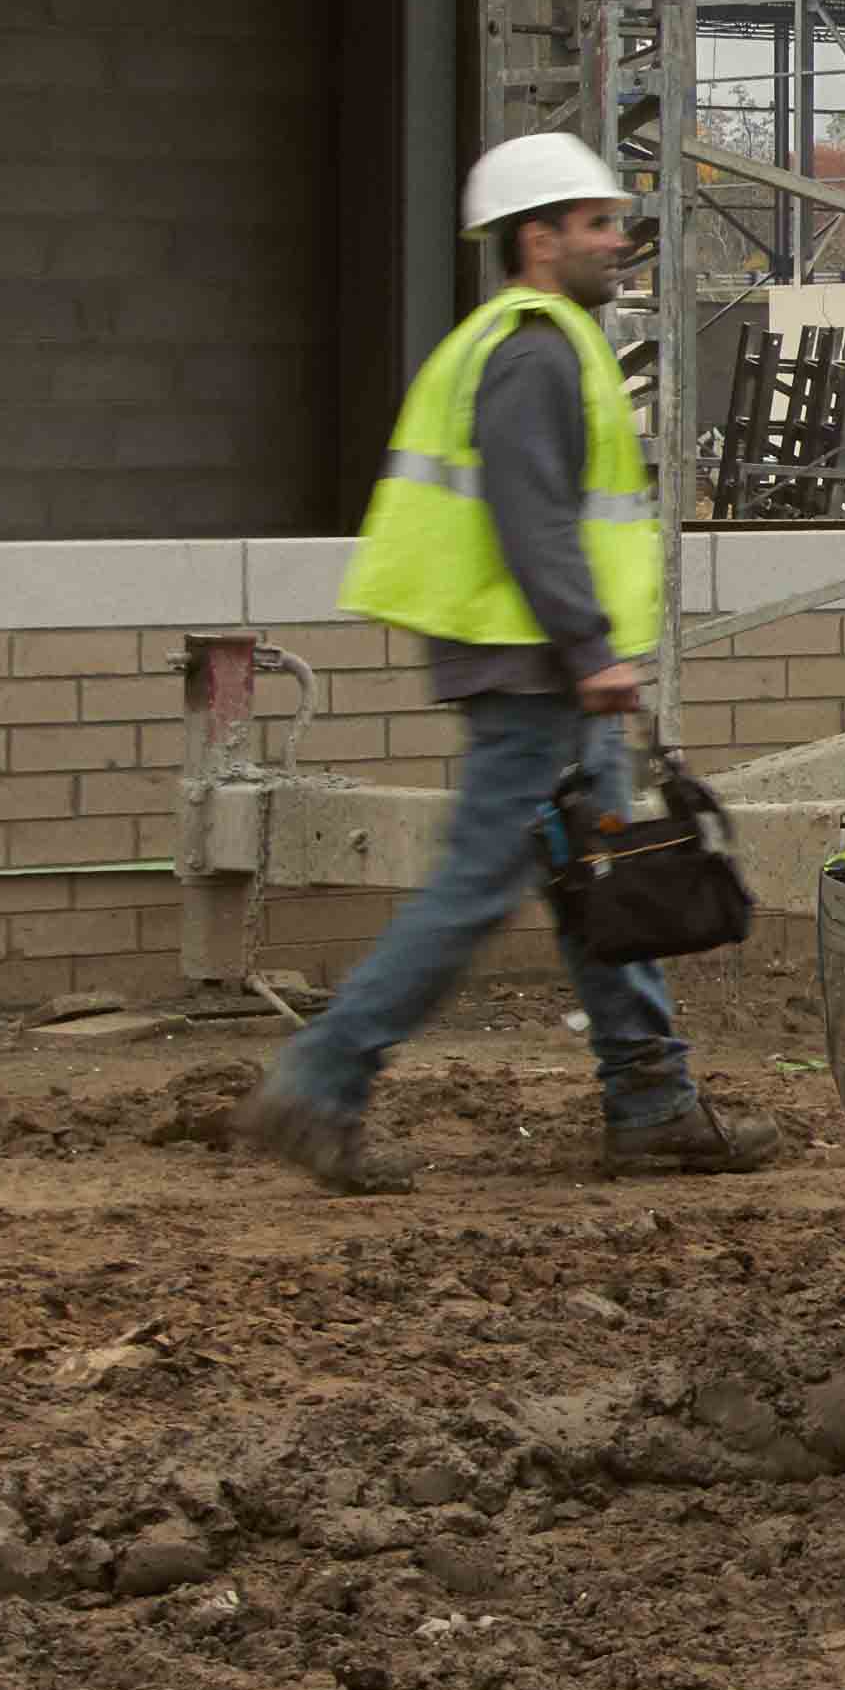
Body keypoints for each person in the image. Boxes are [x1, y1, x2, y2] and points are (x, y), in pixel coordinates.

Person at [247, 132, 747, 1193]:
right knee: (476, 889)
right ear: (539, 238)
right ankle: (321, 1082)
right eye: (597, 223)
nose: (618, 241)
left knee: (595, 881)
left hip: (541, 665)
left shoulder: (541, 341)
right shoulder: (532, 351)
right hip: (536, 670)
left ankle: (653, 1101)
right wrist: (589, 650)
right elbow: (535, 518)